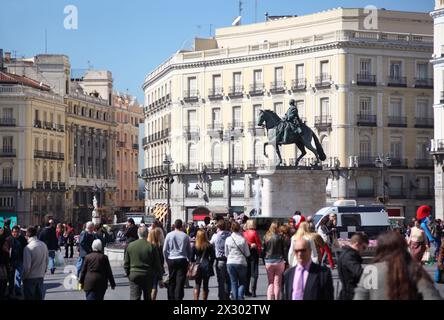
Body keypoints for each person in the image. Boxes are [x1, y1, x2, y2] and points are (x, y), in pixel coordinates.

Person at [354, 231, 442, 300]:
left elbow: (360, 297)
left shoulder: (371, 271)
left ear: (380, 249)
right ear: (403, 248)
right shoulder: (414, 270)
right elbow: (431, 296)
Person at [124, 226, 162, 300]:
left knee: (134, 297)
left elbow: (126, 264)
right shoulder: (152, 247)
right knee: (147, 296)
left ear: (138, 234)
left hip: (134, 274)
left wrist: (129, 274)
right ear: (147, 234)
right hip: (147, 274)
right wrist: (160, 278)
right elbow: (157, 264)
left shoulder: (130, 246)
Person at [163, 219, 191, 300]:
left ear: (174, 226)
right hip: (182, 259)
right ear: (181, 226)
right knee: (180, 281)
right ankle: (178, 297)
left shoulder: (169, 235)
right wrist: (189, 260)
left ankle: (171, 297)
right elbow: (189, 250)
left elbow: (165, 249)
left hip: (171, 259)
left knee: (172, 280)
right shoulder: (185, 236)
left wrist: (166, 259)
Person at [337, 232, 369, 300]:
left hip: (347, 293)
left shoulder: (346, 253)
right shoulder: (350, 256)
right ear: (357, 244)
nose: (363, 251)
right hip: (351, 295)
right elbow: (359, 273)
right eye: (363, 247)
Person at [225, 221, 250, 300]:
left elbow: (226, 253)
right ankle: (240, 297)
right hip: (241, 262)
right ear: (239, 228)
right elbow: (247, 254)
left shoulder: (228, 239)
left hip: (231, 262)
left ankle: (235, 298)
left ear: (231, 229)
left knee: (233, 282)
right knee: (242, 282)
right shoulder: (243, 240)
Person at [22, 227, 49, 300]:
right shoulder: (43, 245)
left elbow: (27, 267)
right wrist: (44, 271)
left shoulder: (28, 248)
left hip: (30, 278)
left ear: (27, 235)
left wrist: (23, 277)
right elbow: (47, 260)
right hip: (40, 276)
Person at [263, 221, 286, 300]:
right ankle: (277, 298)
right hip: (279, 261)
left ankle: (269, 298)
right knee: (277, 283)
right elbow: (284, 249)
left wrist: (264, 259)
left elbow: (264, 250)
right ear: (277, 228)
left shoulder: (266, 236)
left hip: (268, 261)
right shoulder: (281, 237)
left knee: (270, 282)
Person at [210, 219, 231, 300]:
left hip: (219, 261)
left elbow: (210, 244)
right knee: (227, 280)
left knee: (220, 281)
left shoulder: (215, 236)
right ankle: (227, 296)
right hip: (228, 260)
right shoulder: (229, 235)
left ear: (218, 227)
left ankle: (221, 296)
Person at [191, 229, 215, 300]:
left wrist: (194, 263)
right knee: (205, 284)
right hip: (206, 265)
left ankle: (196, 299)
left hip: (198, 265)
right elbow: (213, 257)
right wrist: (210, 264)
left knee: (197, 284)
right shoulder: (209, 245)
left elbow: (191, 258)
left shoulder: (195, 245)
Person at [7, 225, 27, 298]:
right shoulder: (8, 239)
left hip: (20, 260)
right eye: (14, 232)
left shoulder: (22, 239)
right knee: (11, 277)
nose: (16, 233)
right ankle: (10, 291)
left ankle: (18, 291)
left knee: (18, 277)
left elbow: (26, 249)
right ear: (12, 232)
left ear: (19, 232)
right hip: (11, 261)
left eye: (17, 232)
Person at [243, 219, 261, 297]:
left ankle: (246, 290)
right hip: (253, 254)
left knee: (247, 273)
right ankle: (253, 291)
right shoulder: (254, 233)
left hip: (245, 254)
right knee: (254, 273)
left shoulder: (243, 233)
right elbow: (258, 244)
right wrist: (259, 252)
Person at [147, 227, 165, 300]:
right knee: (154, 287)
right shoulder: (158, 246)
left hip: (147, 269)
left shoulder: (147, 245)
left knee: (149, 287)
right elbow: (161, 260)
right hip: (155, 269)